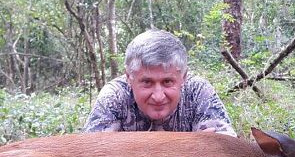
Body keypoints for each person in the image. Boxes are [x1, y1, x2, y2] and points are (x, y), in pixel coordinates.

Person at [84, 29, 236, 136]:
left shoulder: (198, 91)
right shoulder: (114, 96)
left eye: (167, 82)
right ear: (129, 78)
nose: (158, 96)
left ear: (183, 77)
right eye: (147, 82)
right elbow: (91, 153)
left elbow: (226, 148)